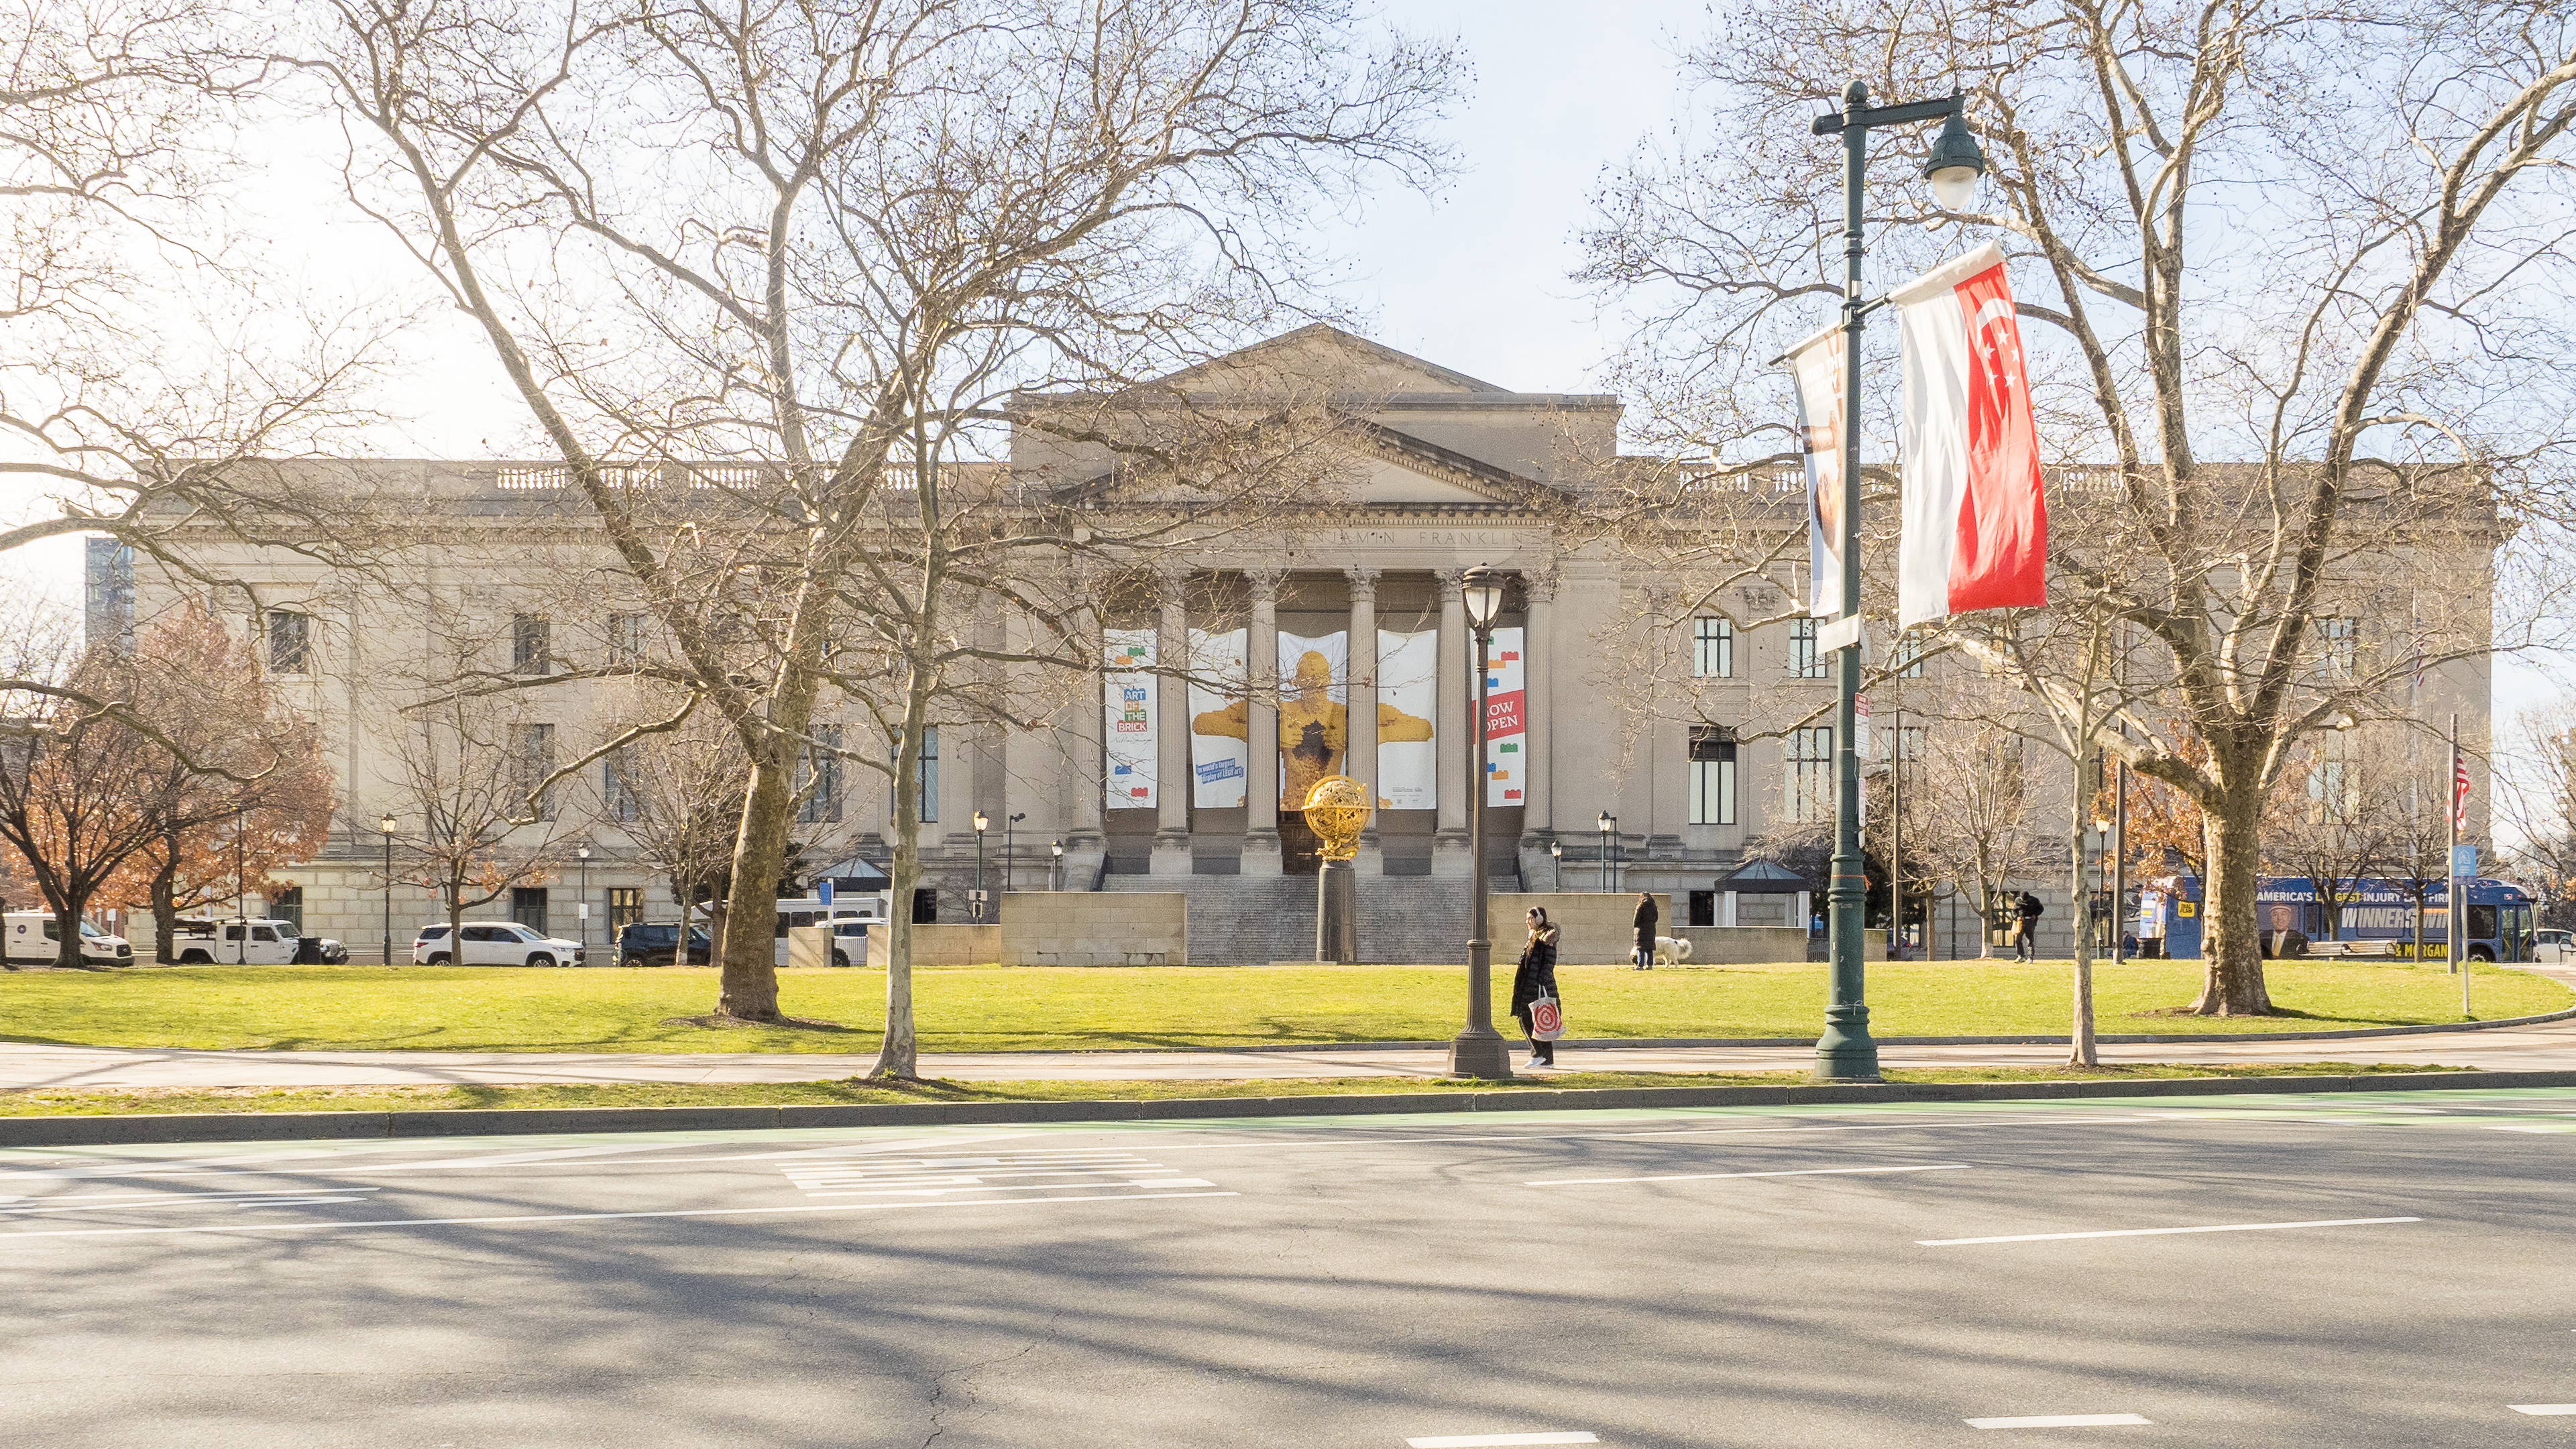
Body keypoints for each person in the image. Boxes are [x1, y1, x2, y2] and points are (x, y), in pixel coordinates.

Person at [1512, 906, 1561, 1067]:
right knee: (1538, 1021)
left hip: (1539, 986)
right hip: (1530, 983)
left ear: (1539, 919)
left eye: (1531, 918)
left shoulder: (1546, 938)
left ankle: (1538, 1054)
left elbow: (1548, 963)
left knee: (1528, 1018)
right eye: (1527, 918)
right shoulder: (1534, 936)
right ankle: (1547, 1060)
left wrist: (1540, 981)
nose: (1527, 921)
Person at [2013, 890, 2044, 962]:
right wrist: (2016, 917)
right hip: (2021, 922)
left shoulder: (2035, 901)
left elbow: (2041, 909)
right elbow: (2014, 911)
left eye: (2026, 900)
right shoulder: (2017, 901)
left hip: (2030, 922)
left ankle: (2030, 957)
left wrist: (2035, 914)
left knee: (2030, 940)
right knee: (2018, 939)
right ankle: (2021, 956)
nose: (2025, 901)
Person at [1632, 890, 1659, 970]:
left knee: (1641, 947)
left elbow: (1637, 918)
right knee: (1650, 947)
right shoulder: (1654, 907)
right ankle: (1650, 965)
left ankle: (1640, 965)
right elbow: (1656, 918)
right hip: (1651, 928)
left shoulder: (1641, 906)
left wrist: (1636, 925)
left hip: (1642, 928)